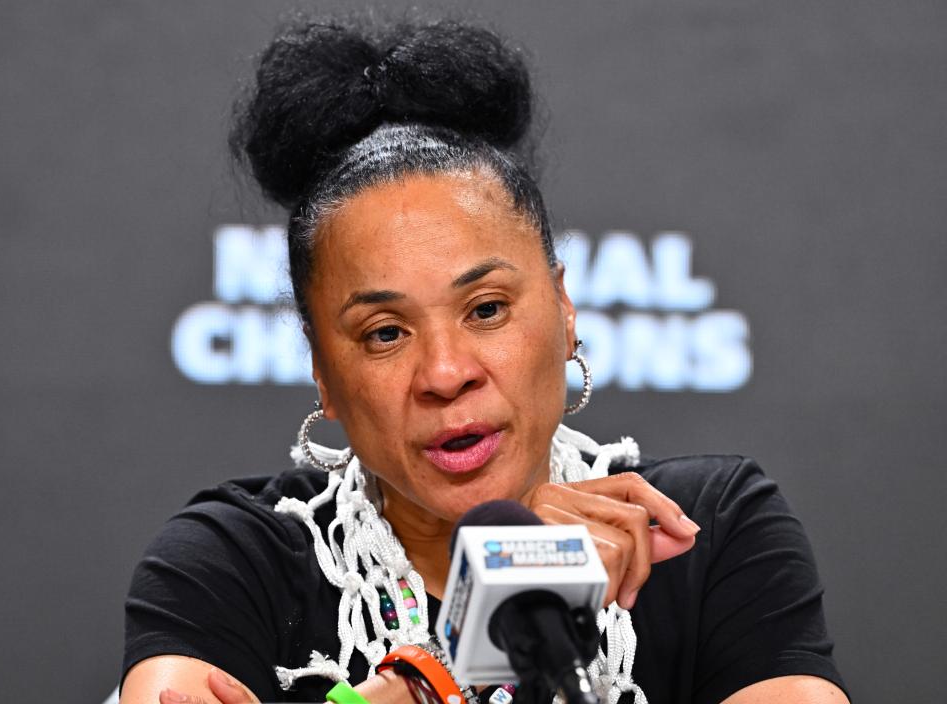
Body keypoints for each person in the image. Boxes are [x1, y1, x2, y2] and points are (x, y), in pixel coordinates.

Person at [119, 18, 849, 704]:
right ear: (322, 372)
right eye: (383, 333)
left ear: (564, 311)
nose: (445, 372)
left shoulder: (703, 531)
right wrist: (444, 661)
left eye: (487, 309)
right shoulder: (227, 565)